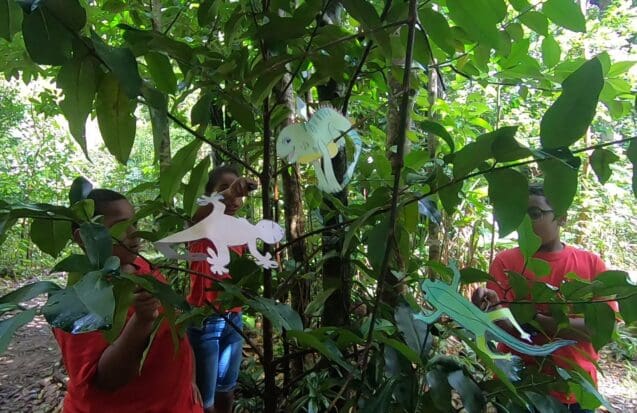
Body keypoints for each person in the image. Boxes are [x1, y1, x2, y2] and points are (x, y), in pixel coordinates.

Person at [53, 186, 203, 413]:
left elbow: (175, 329)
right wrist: (141, 322)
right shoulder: (76, 302)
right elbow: (106, 380)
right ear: (84, 237)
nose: (134, 234)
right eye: (120, 227)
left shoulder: (143, 268)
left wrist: (189, 381)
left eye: (135, 223)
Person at [472, 183, 617, 413]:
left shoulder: (591, 265)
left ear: (561, 217)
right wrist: (484, 308)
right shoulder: (506, 262)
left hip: (574, 388)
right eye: (523, 214)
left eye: (535, 213)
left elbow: (600, 330)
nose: (527, 221)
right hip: (518, 384)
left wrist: (533, 322)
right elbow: (501, 325)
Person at [187, 165, 257, 413]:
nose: (232, 197)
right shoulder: (201, 224)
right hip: (204, 318)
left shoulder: (239, 229)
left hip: (233, 316)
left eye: (237, 192)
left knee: (226, 388)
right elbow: (198, 215)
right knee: (205, 399)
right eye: (223, 189)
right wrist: (230, 192)